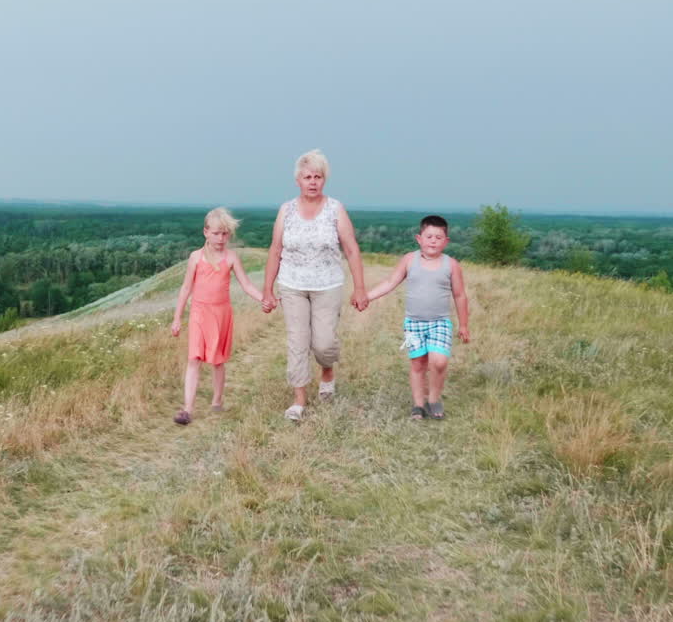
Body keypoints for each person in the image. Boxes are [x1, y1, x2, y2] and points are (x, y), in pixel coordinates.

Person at [261, 149, 369, 422]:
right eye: (307, 176)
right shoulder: (286, 210)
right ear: (298, 179)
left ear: (324, 180)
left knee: (324, 343)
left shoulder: (335, 209)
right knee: (297, 342)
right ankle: (299, 401)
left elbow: (352, 249)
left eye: (318, 176)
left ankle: (327, 370)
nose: (312, 181)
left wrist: (359, 288)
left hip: (327, 284)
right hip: (292, 284)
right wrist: (267, 289)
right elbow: (275, 250)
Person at [365, 214, 470, 420]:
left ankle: (433, 398)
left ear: (446, 241)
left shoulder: (451, 265)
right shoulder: (409, 260)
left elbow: (460, 295)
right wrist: (366, 297)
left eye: (439, 237)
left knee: (438, 362)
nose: (433, 241)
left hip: (440, 322)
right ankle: (418, 405)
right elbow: (389, 283)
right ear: (419, 238)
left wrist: (464, 325)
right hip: (413, 324)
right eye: (429, 236)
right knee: (418, 363)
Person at [170, 207, 264, 425]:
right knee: (194, 358)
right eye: (216, 233)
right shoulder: (196, 257)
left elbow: (247, 285)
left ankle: (217, 400)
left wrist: (265, 299)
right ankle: (187, 409)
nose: (220, 238)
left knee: (217, 360)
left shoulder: (231, 257)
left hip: (221, 314)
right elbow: (185, 289)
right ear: (205, 232)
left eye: (224, 233)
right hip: (199, 313)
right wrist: (177, 318)